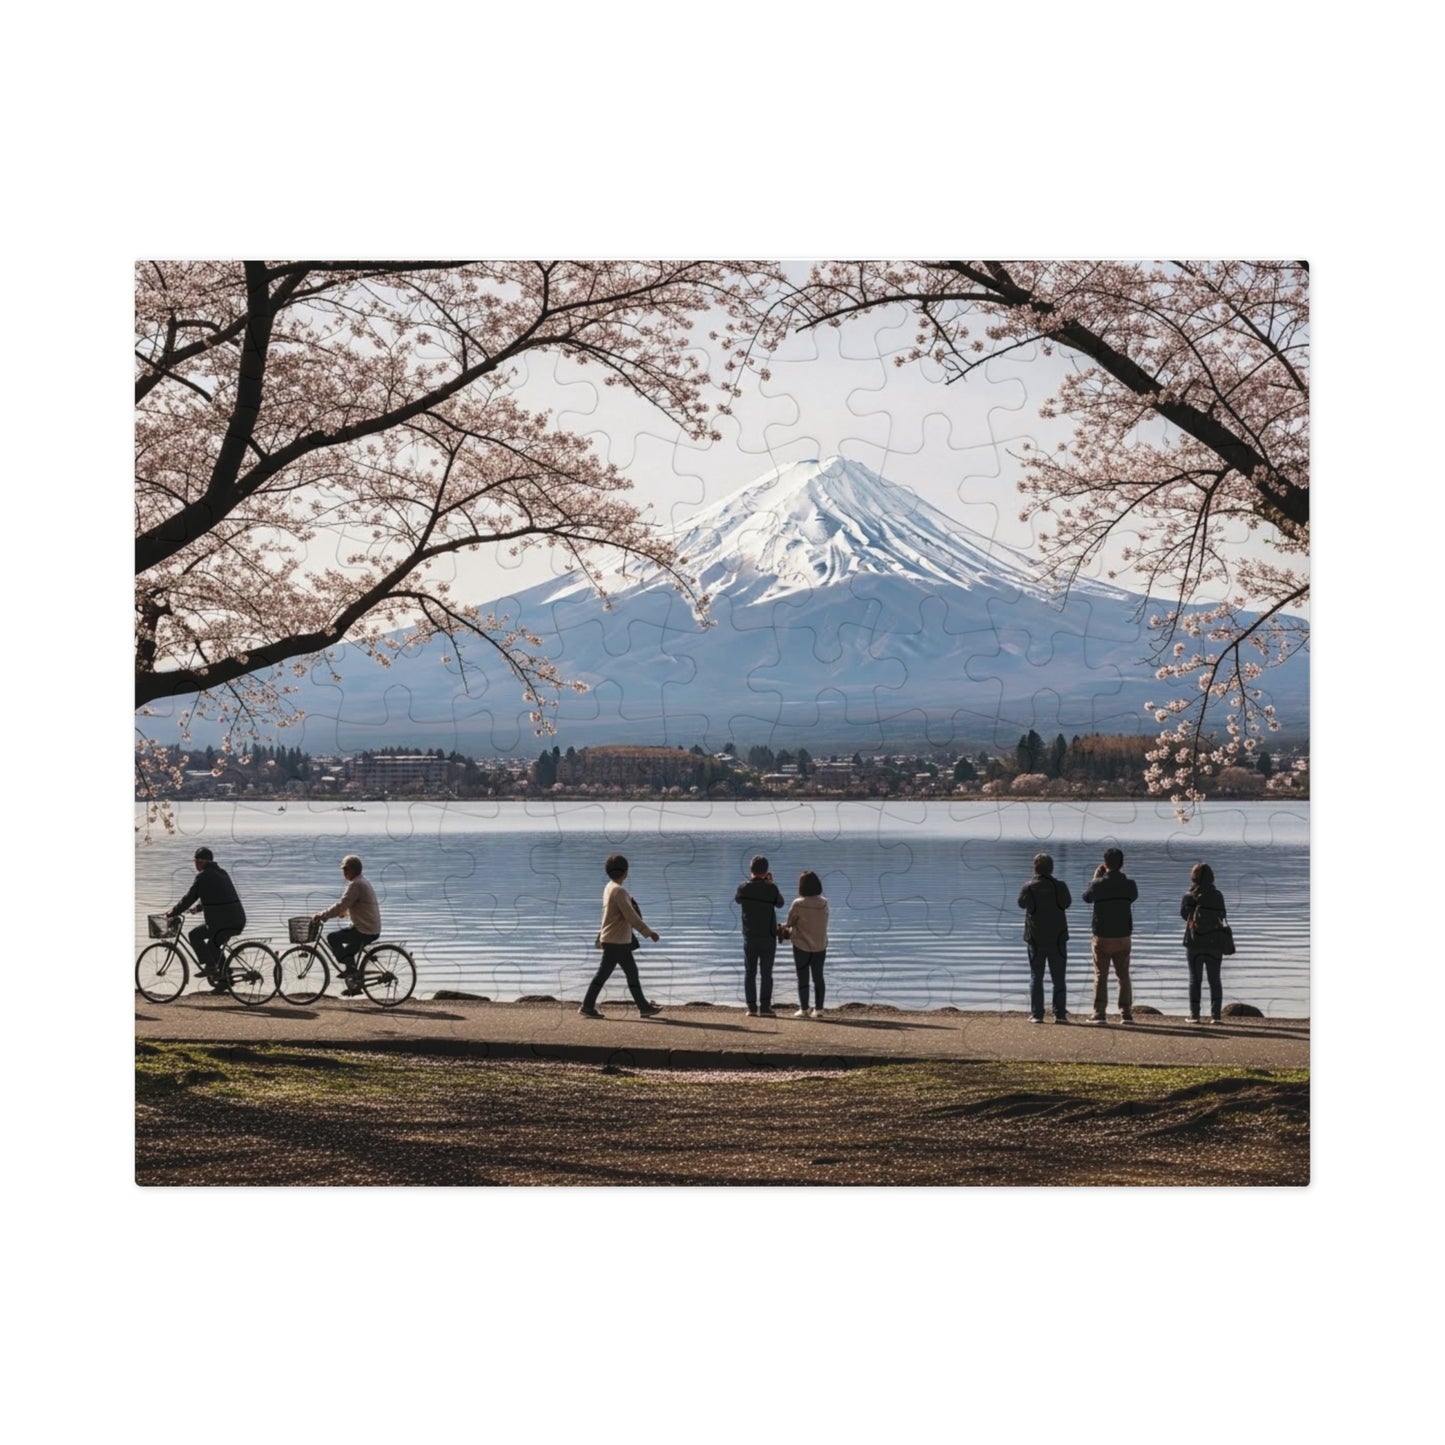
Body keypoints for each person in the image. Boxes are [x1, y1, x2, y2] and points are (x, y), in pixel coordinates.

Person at [579, 855, 663, 1019]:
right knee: (608, 974)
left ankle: (644, 1007)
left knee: (629, 973)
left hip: (615, 939)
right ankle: (587, 1006)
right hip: (616, 940)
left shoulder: (609, 887)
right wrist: (648, 933)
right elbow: (631, 916)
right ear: (625, 873)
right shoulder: (619, 891)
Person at [167, 846, 246, 992]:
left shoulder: (203, 876)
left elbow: (189, 897)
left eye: (196, 861)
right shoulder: (221, 873)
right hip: (235, 919)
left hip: (224, 923)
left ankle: (211, 967)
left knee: (202, 940)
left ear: (201, 861)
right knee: (208, 942)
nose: (195, 864)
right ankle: (224, 979)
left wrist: (173, 912)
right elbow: (217, 895)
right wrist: (199, 908)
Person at [1082, 846, 1139, 1024]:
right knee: (1123, 975)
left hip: (1102, 935)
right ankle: (1126, 1013)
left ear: (1105, 863)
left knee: (1101, 975)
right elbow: (1133, 897)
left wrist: (1095, 879)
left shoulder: (1098, 884)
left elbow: (1086, 898)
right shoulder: (1130, 885)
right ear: (1122, 864)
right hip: (1123, 936)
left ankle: (1099, 1013)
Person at [312, 854, 381, 998]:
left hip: (365, 930)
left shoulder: (355, 884)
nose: (343, 873)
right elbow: (353, 904)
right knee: (349, 953)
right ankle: (355, 985)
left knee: (333, 938)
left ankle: (351, 972)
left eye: (345, 870)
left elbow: (341, 904)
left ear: (352, 870)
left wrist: (322, 915)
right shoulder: (362, 882)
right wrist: (346, 912)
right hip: (370, 928)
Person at [1017, 852, 1071, 1023]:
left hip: (1035, 940)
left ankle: (1037, 1014)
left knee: (1036, 977)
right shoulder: (1060, 886)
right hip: (1058, 939)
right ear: (1052, 868)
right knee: (1059, 979)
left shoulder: (1029, 887)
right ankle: (1060, 1014)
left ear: (1035, 868)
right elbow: (1067, 904)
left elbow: (1021, 904)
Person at [734, 855, 785, 1017]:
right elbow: (780, 903)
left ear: (751, 870)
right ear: (766, 871)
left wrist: (753, 882)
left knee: (750, 972)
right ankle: (765, 1007)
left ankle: (751, 1008)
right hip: (768, 936)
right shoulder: (772, 888)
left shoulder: (743, 887)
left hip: (750, 936)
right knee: (766, 973)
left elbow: (738, 900)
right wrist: (770, 884)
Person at [1180, 861, 1228, 1024]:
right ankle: (1216, 1016)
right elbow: (1222, 915)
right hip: (1215, 942)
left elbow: (1183, 915)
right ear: (1212, 878)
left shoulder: (1188, 896)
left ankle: (1194, 1015)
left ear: (1193, 877)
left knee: (1195, 979)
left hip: (1194, 942)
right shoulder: (1218, 895)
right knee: (1215, 979)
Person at [784, 870, 829, 1018]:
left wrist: (784, 928)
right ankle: (819, 1009)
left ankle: (804, 1009)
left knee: (802, 977)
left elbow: (790, 922)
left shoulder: (798, 903)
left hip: (801, 946)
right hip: (820, 945)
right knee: (818, 977)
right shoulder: (824, 902)